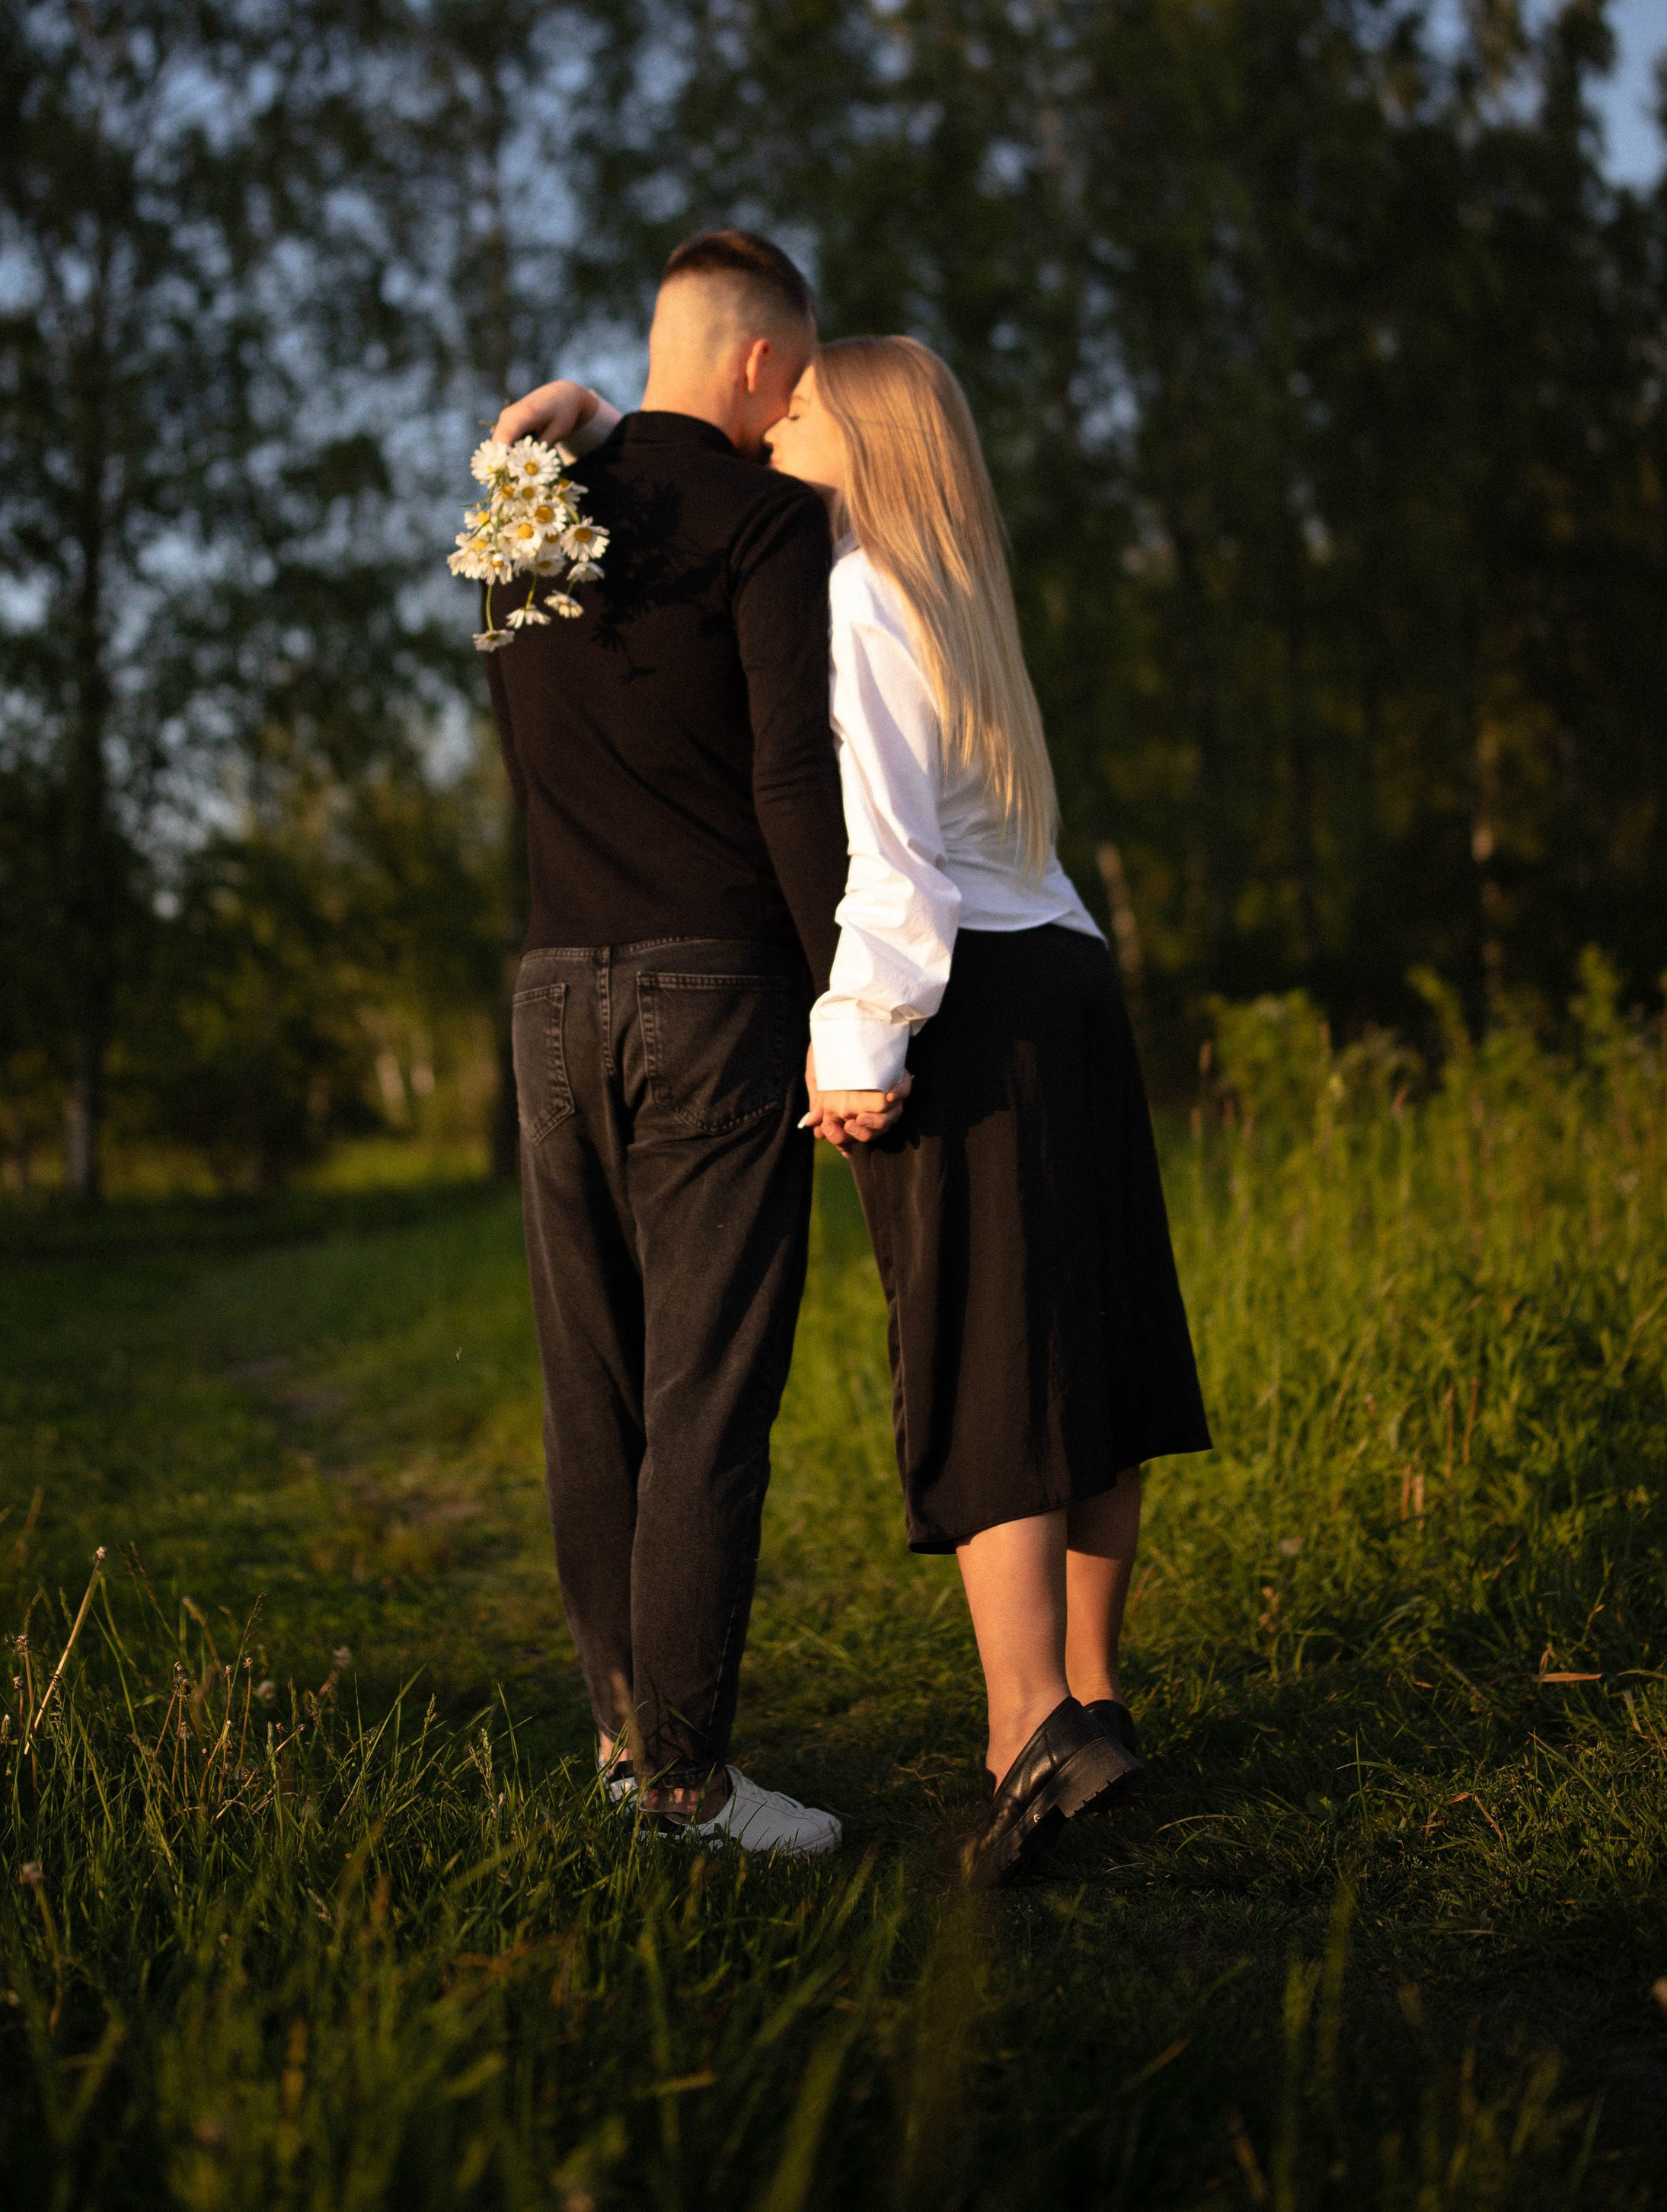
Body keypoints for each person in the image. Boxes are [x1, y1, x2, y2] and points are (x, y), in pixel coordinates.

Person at [509, 334, 1210, 1886]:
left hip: (963, 994)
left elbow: (889, 859)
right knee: (1092, 1364)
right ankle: (1095, 1703)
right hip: (1069, 976)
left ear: (864, 440)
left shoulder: (847, 591)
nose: (770, 439)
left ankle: (1022, 1731)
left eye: (801, 416)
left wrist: (855, 1041)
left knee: (987, 1366)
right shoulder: (953, 584)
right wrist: (599, 415)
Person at [482, 230, 849, 1856]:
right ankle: (690, 1788)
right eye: (795, 384)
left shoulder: (531, 496)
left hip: (554, 990)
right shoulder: (774, 517)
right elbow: (790, 781)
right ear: (761, 365)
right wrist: (850, 991)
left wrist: (541, 418)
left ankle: (630, 1747)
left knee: (596, 1390)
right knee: (704, 1392)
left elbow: (515, 718)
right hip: (716, 994)